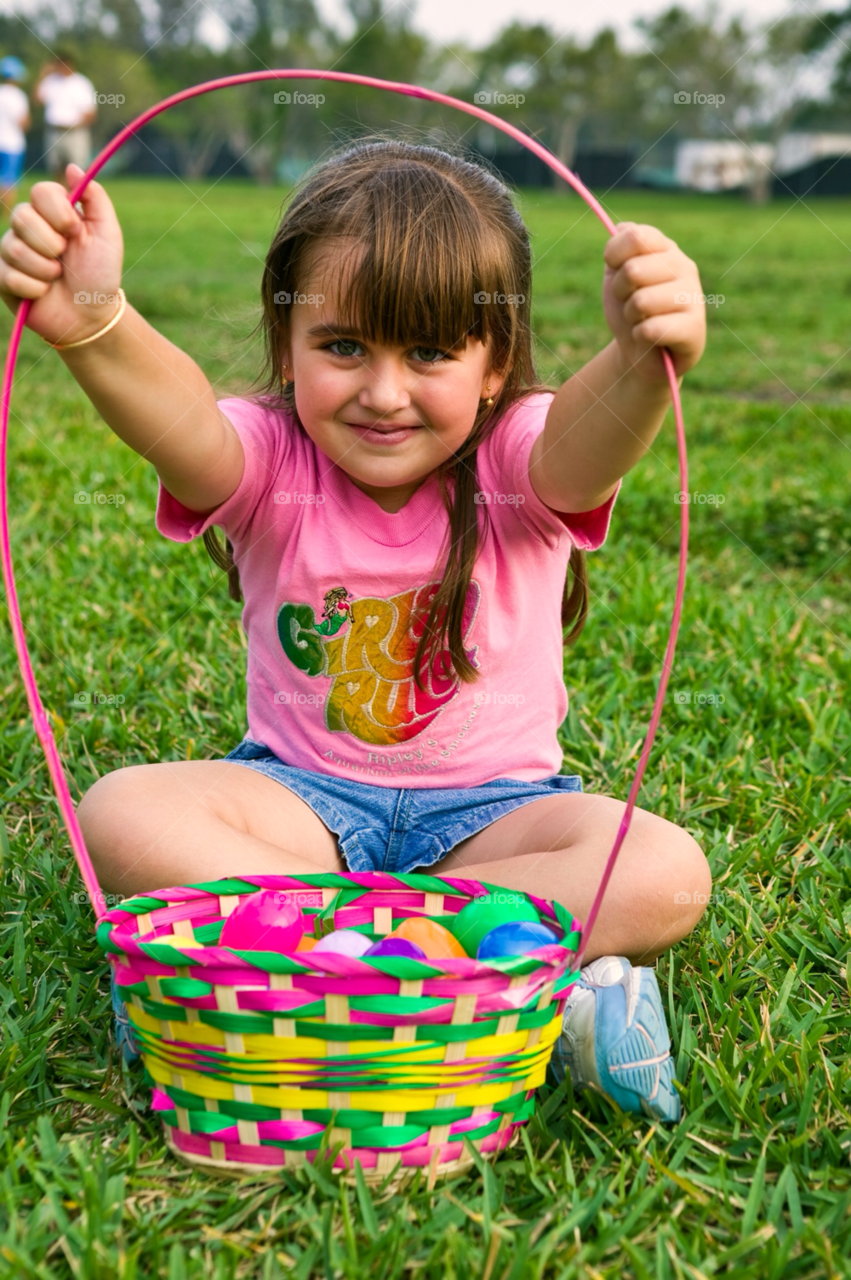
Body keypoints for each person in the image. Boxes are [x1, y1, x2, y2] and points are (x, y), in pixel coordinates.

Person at [0, 142, 712, 1121]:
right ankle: (512, 983)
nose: (382, 391)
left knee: (664, 869)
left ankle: (280, 966)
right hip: (299, 806)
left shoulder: (515, 456)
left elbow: (579, 452)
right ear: (288, 349)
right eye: (342, 346)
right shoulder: (267, 458)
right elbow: (184, 423)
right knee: (124, 809)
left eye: (427, 352)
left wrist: (638, 363)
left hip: (492, 817)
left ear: (494, 364)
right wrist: (94, 326)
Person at [34, 51, 96, 180]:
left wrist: (73, 126)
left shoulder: (82, 83)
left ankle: (76, 200)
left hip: (75, 133)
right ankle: (61, 200)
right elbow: (37, 100)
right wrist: (42, 74)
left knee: (78, 172)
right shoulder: (50, 81)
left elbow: (90, 114)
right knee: (56, 170)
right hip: (54, 132)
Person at [0, 57, 30, 218]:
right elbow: (23, 123)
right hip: (12, 145)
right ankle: (5, 215)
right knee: (8, 181)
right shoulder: (18, 96)